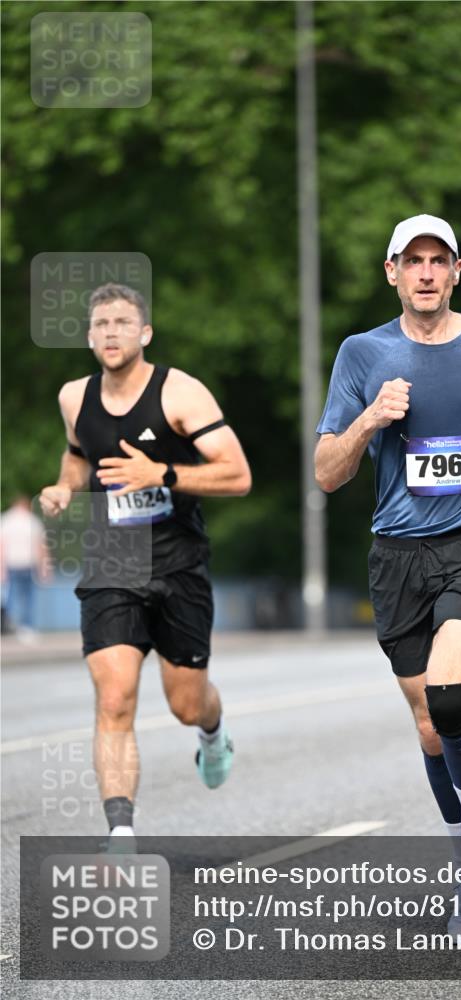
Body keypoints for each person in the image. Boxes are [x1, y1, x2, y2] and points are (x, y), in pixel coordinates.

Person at [315, 215, 461, 932]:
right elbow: (327, 474)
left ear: (456, 271)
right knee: (427, 724)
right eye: (410, 260)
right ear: (390, 272)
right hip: (396, 554)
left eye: (437, 260)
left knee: (449, 699)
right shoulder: (362, 352)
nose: (424, 272)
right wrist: (368, 421)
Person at [39, 283, 252, 840]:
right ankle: (121, 836)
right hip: (113, 556)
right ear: (89, 337)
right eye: (101, 324)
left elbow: (238, 475)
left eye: (122, 322)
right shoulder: (72, 398)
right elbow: (78, 454)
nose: (111, 332)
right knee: (114, 697)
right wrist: (65, 488)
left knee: (185, 703)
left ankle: (212, 729)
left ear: (145, 333)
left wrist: (162, 474)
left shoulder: (180, 394)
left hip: (178, 558)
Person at [0, 494, 51, 639]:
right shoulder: (33, 521)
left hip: (12, 564)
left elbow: (1, 547)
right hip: (29, 564)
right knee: (29, 598)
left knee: (11, 597)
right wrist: (45, 568)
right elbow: (41, 547)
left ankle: (8, 625)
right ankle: (27, 628)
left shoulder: (6, 520)